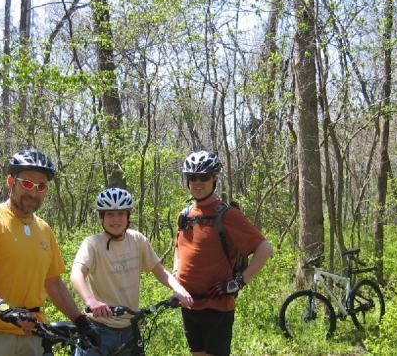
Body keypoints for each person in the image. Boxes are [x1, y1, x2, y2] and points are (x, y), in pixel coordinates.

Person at [0, 149, 100, 356]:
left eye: (41, 186)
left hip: (33, 337)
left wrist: (79, 319)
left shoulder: (44, 229)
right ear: (10, 181)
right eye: (26, 183)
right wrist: (3, 309)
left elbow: (53, 283)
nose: (33, 192)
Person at [70, 187, 194, 356]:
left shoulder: (137, 240)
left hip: (131, 328)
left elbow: (160, 271)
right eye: (110, 214)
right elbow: (76, 273)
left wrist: (179, 290)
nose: (115, 220)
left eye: (120, 214)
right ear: (102, 217)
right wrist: (91, 301)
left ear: (128, 216)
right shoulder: (92, 244)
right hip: (98, 329)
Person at [173, 151, 273, 356]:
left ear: (215, 180)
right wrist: (176, 277)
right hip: (189, 304)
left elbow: (265, 249)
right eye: (192, 178)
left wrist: (237, 283)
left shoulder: (227, 215)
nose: (197, 183)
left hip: (216, 306)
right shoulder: (185, 214)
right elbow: (179, 249)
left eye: (204, 177)